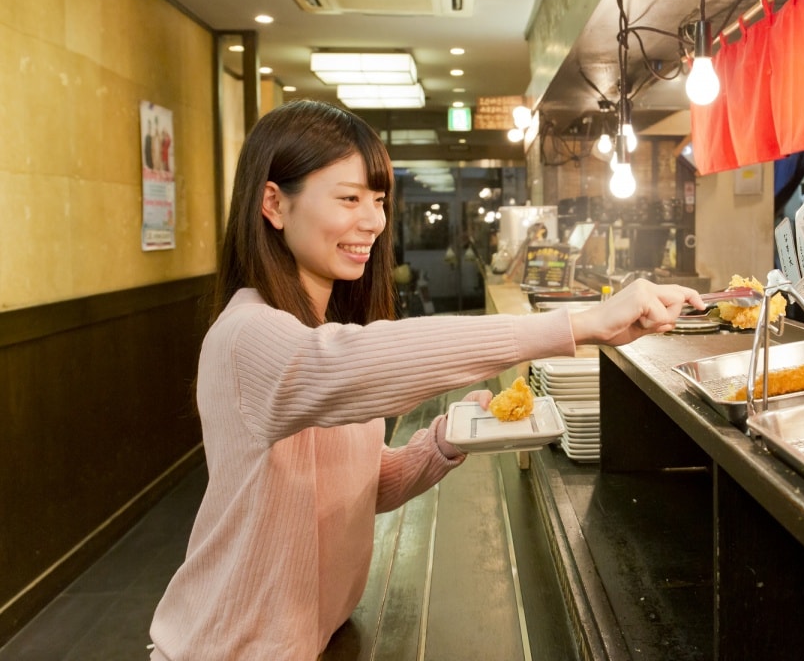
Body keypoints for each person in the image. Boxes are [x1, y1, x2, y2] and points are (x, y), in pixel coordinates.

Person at [148, 99, 704, 660]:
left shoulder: (319, 327)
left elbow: (362, 488)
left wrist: (444, 440)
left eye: (379, 200)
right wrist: (578, 324)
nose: (373, 221)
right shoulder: (246, 335)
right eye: (349, 198)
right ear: (274, 203)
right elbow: (349, 362)